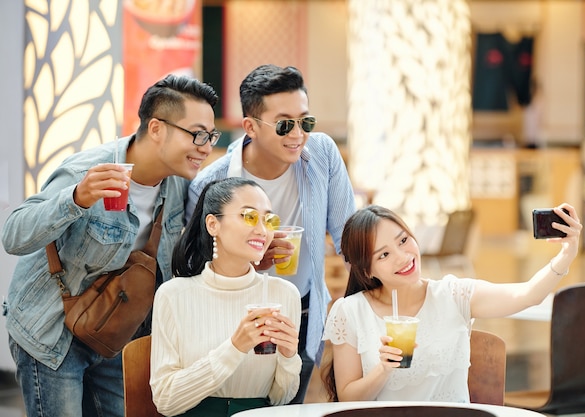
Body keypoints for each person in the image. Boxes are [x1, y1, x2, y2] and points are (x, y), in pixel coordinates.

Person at [1, 74, 219, 417]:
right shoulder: (88, 172)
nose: (206, 147)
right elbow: (14, 236)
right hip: (52, 333)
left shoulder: (176, 187)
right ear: (157, 128)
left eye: (211, 135)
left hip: (114, 334)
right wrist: (76, 199)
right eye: (197, 134)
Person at [187, 64, 356, 403]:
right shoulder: (210, 184)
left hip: (302, 316)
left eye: (305, 122)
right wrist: (246, 261)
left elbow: (350, 241)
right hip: (234, 322)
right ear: (250, 126)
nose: (297, 135)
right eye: (284, 125)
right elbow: (197, 266)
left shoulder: (321, 154)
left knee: (288, 407)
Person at [321, 204, 582, 402]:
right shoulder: (350, 311)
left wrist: (567, 254)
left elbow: (528, 295)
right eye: (385, 254)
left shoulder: (453, 295)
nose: (403, 257)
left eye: (403, 240)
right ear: (366, 270)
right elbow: (347, 398)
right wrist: (383, 370)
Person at [150, 177, 302, 416]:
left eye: (269, 220)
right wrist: (235, 347)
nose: (262, 230)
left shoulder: (283, 295)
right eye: (249, 216)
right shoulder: (173, 295)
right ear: (213, 224)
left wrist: (289, 357)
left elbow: (280, 399)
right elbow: (166, 401)